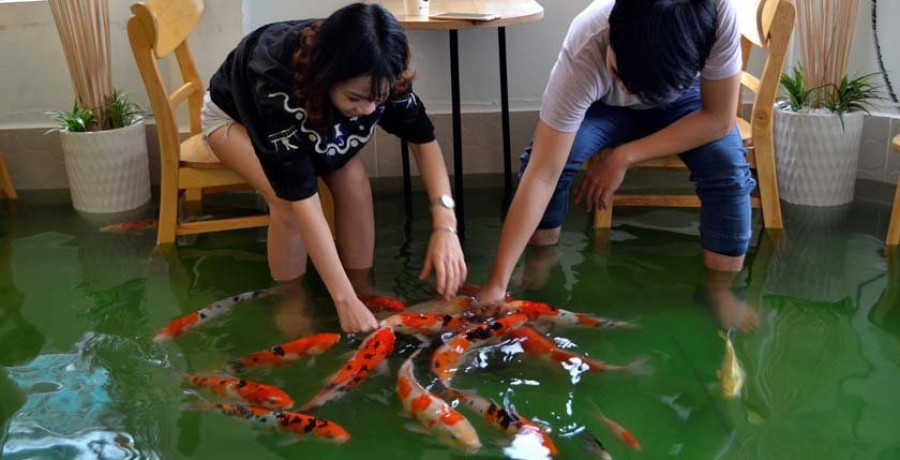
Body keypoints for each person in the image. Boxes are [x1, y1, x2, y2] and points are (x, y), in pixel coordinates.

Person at [477, 0, 757, 313]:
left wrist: (623, 156)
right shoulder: (589, 41)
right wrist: (496, 284)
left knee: (727, 164)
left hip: (682, 102)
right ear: (612, 38)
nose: (626, 86)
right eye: (617, 73)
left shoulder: (716, 14)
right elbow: (543, 172)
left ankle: (720, 289)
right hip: (605, 109)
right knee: (554, 154)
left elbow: (718, 119)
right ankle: (541, 259)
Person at [203, 3, 465, 333]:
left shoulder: (381, 75)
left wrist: (445, 226)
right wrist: (340, 299)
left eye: (378, 99)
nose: (368, 109)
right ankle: (291, 299)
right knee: (285, 205)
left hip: (317, 124)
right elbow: (302, 199)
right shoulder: (275, 85)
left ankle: (362, 289)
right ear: (327, 78)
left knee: (355, 183)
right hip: (233, 119)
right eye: (356, 98)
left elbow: (424, 142)